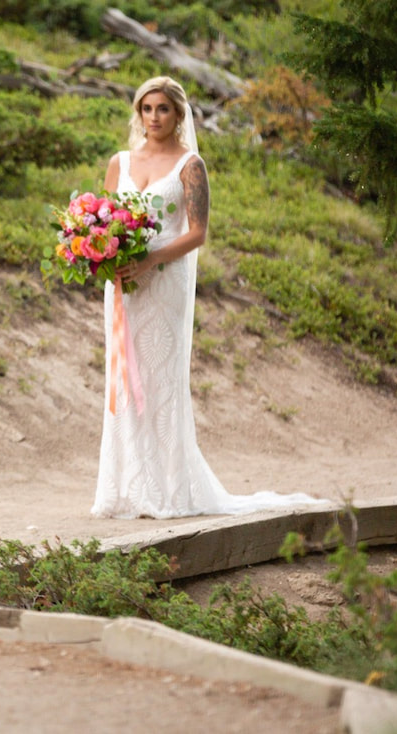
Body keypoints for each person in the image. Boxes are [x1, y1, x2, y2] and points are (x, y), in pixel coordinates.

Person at [91, 76, 323, 518]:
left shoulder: (189, 166)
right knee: (122, 379)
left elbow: (196, 233)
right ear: (138, 113)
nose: (154, 117)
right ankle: (125, 488)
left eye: (163, 109)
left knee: (160, 379)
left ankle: (168, 490)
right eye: (146, 109)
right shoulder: (119, 162)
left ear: (179, 114)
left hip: (163, 285)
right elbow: (106, 220)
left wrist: (150, 259)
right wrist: (102, 254)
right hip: (123, 287)